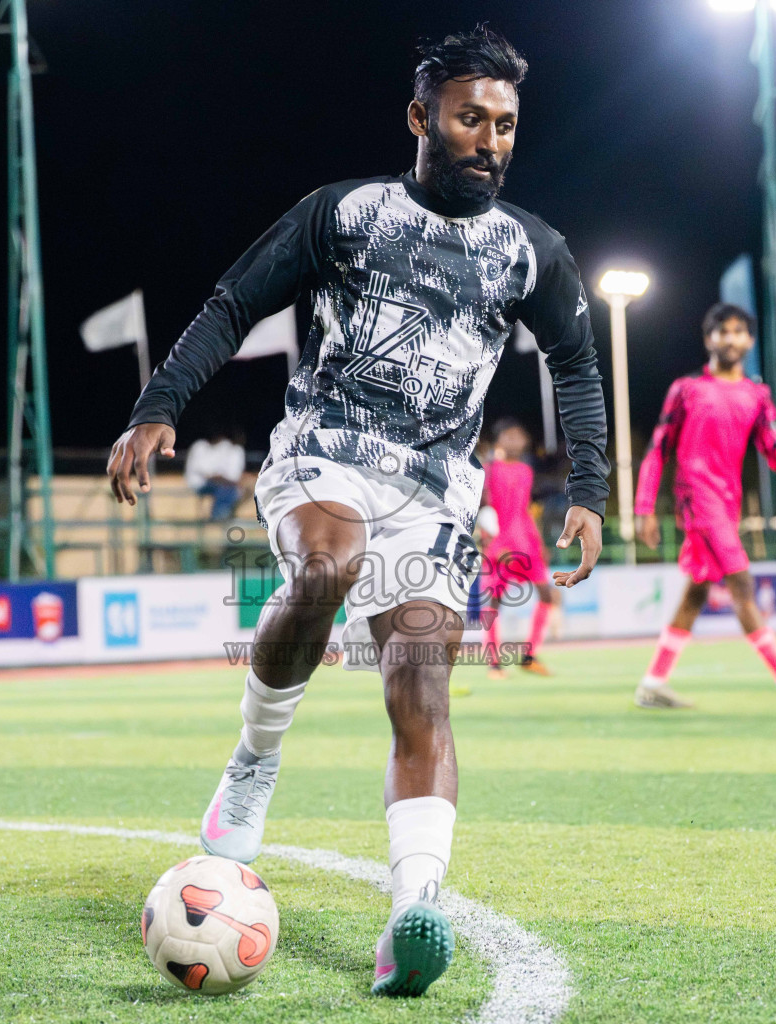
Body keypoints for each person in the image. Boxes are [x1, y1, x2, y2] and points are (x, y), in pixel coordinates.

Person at [106, 27, 608, 998]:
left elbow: (577, 364)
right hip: (325, 451)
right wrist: (159, 406)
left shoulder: (531, 250)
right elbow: (232, 303)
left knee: (422, 687)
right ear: (421, 117)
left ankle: (414, 908)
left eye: (505, 124)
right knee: (327, 566)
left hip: (436, 488)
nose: (490, 140)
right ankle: (255, 759)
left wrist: (588, 490)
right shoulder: (343, 213)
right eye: (470, 118)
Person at [631, 303, 776, 710]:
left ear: (749, 340)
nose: (730, 338)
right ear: (708, 339)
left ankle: (652, 684)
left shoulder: (758, 395)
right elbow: (658, 449)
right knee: (742, 583)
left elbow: (771, 449)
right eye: (722, 331)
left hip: (727, 502)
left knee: (696, 594)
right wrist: (644, 507)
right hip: (696, 497)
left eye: (738, 331)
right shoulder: (686, 389)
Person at [477, 419, 560, 679]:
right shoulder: (487, 470)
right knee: (493, 601)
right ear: (498, 440)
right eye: (509, 435)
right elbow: (481, 510)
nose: (516, 440)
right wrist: (491, 544)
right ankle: (493, 664)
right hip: (499, 545)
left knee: (546, 595)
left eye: (519, 435)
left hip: (526, 543)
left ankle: (529, 656)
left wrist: (539, 542)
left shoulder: (526, 471)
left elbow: (524, 509)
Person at [184, 427, 248, 521]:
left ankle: (226, 514)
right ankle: (217, 517)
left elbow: (219, 472)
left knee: (238, 489)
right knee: (225, 489)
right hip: (199, 483)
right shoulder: (200, 447)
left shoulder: (221, 448)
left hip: (213, 482)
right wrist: (226, 480)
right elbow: (207, 474)